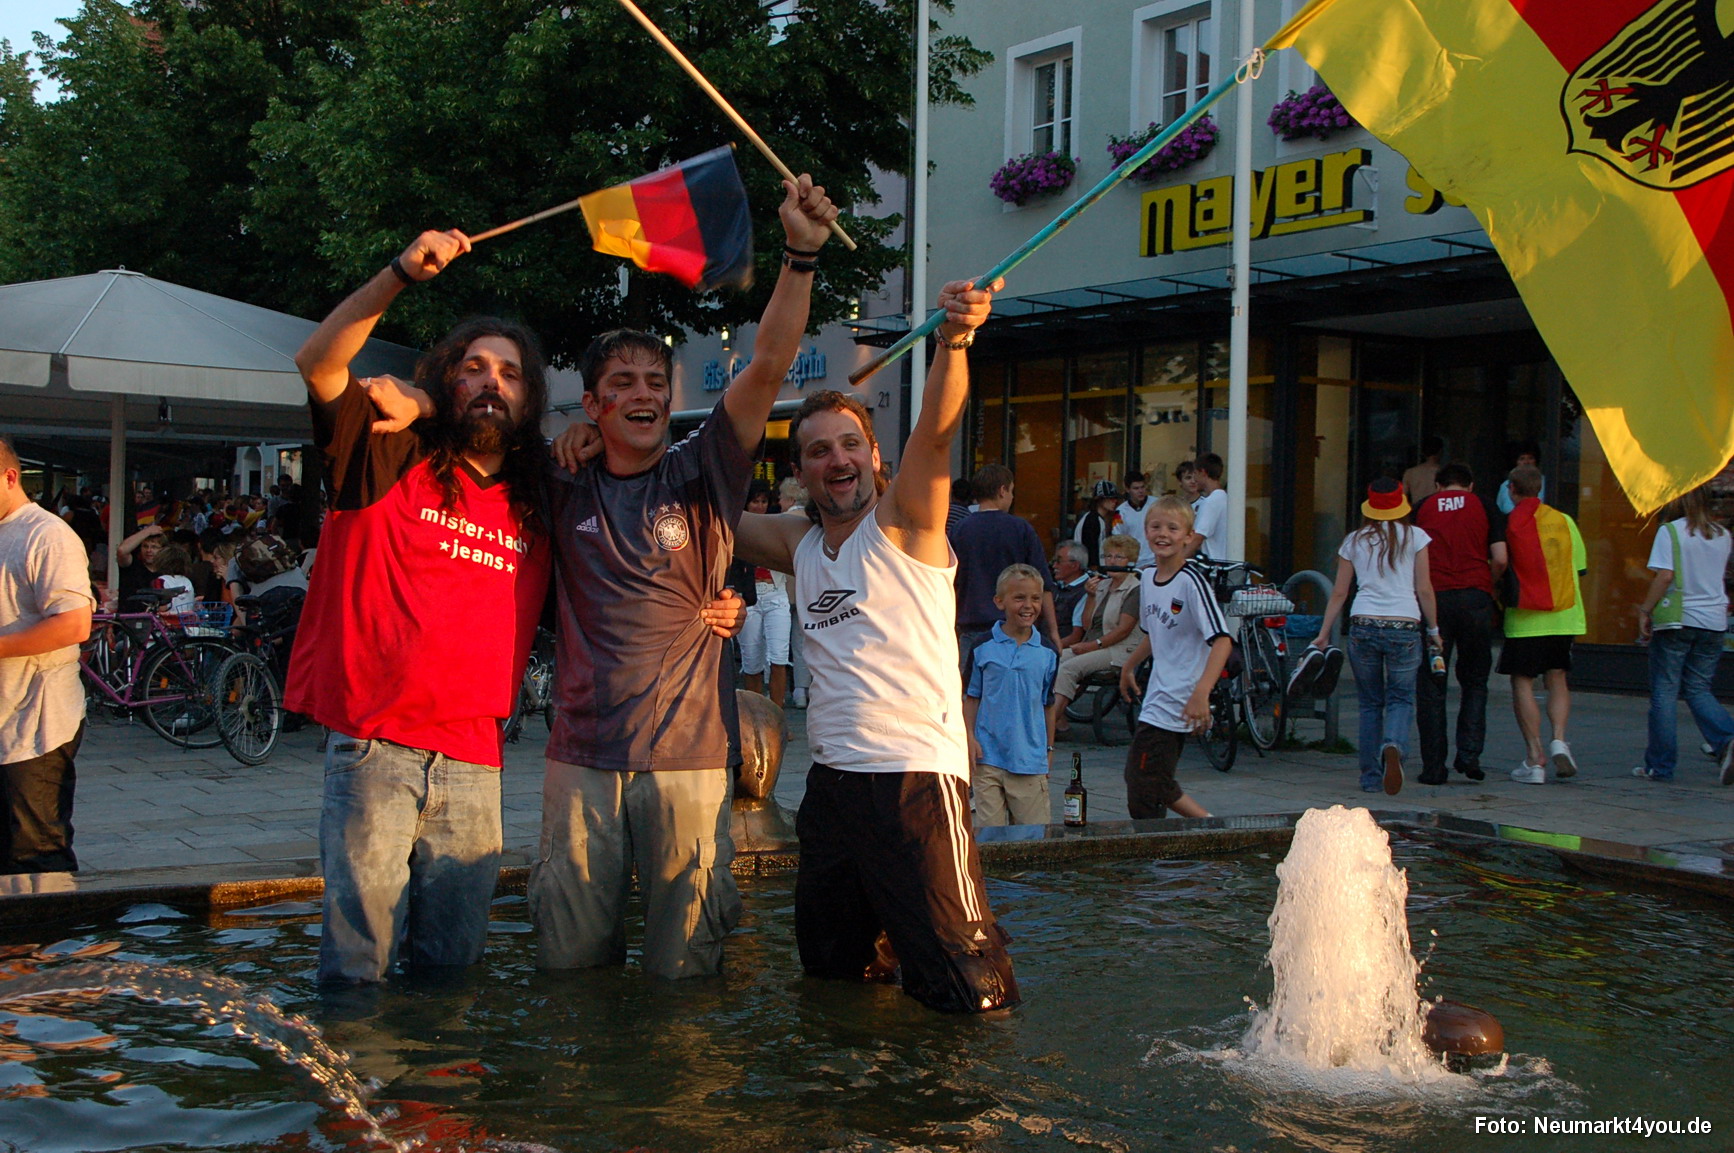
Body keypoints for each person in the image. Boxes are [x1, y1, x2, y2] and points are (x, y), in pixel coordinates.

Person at [533, 175, 839, 980]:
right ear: (592, 405)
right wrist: (560, 438)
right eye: (622, 385)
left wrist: (800, 254)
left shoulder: (703, 471)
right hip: (580, 757)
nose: (643, 394)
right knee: (569, 971)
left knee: (688, 976)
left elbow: (769, 363)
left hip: (691, 759)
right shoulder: (563, 480)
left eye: (654, 384)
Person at [732, 276, 1019, 1013]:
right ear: (799, 473)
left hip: (916, 782)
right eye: (819, 450)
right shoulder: (798, 542)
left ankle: (976, 1112)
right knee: (832, 974)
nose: (838, 459)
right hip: (830, 788)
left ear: (876, 456)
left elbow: (939, 429)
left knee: (969, 985)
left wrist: (954, 342)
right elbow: (706, 510)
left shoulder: (905, 523)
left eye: (850, 444)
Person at [284, 227, 560, 985]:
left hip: (477, 761)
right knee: (355, 971)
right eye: (473, 367)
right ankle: (354, 1103)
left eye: (509, 373)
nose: (490, 382)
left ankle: (435, 1108)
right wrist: (401, 273)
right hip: (375, 751)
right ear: (445, 380)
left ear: (530, 397)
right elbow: (319, 362)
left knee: (454, 975)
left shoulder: (540, 500)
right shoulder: (382, 446)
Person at [0, 437, 94, 875]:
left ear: (10, 477)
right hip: (7, 715)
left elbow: (74, 624)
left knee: (35, 853)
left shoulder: (47, 534)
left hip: (34, 722)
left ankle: (47, 942)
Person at [1312, 478, 1440, 795]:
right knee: (1400, 698)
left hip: (1363, 624)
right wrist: (1434, 630)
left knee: (1370, 705)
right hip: (1405, 626)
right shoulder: (1417, 537)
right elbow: (1424, 589)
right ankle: (1393, 744)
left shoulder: (1354, 541)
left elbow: (1340, 592)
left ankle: (1370, 777)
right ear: (1402, 504)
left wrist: (1324, 632)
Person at [1117, 495, 1228, 819]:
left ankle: (1208, 832)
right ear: (1145, 532)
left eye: (1172, 528)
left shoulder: (1191, 582)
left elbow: (1221, 640)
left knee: (1146, 780)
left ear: (1188, 537)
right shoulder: (1148, 579)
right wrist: (1130, 664)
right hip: (1158, 692)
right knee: (1148, 780)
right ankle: (1205, 832)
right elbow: (1155, 634)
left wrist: (1202, 693)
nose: (1162, 534)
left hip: (1181, 694)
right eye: (1155, 526)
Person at [1412, 464, 1505, 784]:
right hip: (1475, 600)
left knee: (1432, 685)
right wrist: (1487, 585)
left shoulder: (1422, 507)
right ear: (1470, 485)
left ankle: (1434, 767)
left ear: (1438, 486)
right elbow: (1501, 557)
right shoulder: (1485, 505)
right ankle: (1469, 755)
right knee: (1476, 680)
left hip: (1434, 602)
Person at [1634, 484, 1734, 783]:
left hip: (1679, 620)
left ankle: (1660, 766)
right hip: (1714, 621)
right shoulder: (1723, 535)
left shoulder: (1671, 531)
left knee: (1665, 692)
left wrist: (1645, 610)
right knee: (1698, 688)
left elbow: (1665, 575)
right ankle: (1727, 739)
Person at [1498, 465, 1585, 784]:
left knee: (1523, 683)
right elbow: (1581, 569)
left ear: (1512, 490)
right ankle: (1560, 739)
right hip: (1564, 615)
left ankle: (1535, 759)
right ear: (1541, 489)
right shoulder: (1565, 521)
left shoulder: (1509, 524)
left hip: (1524, 619)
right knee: (1557, 678)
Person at [963, 564, 1058, 827]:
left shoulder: (1047, 653)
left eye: (1035, 598)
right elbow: (972, 697)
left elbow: (1048, 704)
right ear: (999, 601)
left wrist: (1049, 748)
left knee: (1033, 840)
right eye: (1019, 598)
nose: (1028, 605)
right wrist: (969, 737)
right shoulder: (983, 647)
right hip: (988, 758)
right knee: (990, 837)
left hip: (1029, 760)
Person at [950, 463, 1061, 664]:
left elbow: (949, 583)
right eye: (1011, 491)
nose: (1011, 497)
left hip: (970, 628)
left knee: (973, 691)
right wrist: (1053, 631)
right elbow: (1043, 583)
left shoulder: (959, 529)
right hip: (1015, 628)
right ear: (1002, 490)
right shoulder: (1021, 528)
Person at [1047, 534, 1144, 740]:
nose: (1111, 561)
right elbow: (1087, 624)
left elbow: (1123, 630)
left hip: (1120, 650)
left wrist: (1093, 645)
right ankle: (1057, 721)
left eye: (1119, 557)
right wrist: (1091, 597)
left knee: (1068, 669)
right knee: (1051, 661)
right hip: (1097, 645)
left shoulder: (1135, 589)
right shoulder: (1102, 584)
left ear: (1130, 561)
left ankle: (1047, 728)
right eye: (1108, 556)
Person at [739, 482, 792, 709]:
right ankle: (756, 720)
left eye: (763, 502)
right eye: (755, 501)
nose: (760, 506)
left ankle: (777, 717)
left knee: (779, 656)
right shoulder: (736, 526)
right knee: (751, 660)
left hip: (775, 594)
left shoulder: (777, 525)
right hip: (749, 597)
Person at [1072, 479, 1121, 569]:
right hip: (1088, 571)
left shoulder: (1098, 519)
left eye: (1116, 498)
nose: (1115, 501)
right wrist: (1094, 572)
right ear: (1099, 499)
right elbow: (1090, 552)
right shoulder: (1092, 520)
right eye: (1110, 498)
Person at [1050, 542, 1091, 647]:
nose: (1054, 566)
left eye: (1059, 561)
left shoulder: (1086, 591)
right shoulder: (1055, 586)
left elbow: (1075, 637)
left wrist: (1044, 650)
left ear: (1075, 565)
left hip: (1061, 648)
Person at [1192, 453, 1229, 559]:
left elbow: (1197, 539)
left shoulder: (1211, 501)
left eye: (1195, 473)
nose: (1194, 479)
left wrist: (1175, 564)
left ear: (1203, 472)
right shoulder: (1224, 498)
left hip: (1213, 566)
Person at [1117, 471, 1155, 567]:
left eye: (1142, 487)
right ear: (1127, 489)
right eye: (1136, 488)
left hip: (1155, 560)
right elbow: (1118, 539)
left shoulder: (1157, 504)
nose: (1140, 491)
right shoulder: (1120, 512)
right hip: (1133, 563)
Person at [1496, 444, 1546, 514]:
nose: (1526, 462)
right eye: (1522, 458)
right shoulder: (1505, 486)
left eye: (1530, 458)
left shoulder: (1547, 483)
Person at [1402, 436, 1444, 505]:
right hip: (1436, 511)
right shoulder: (1445, 473)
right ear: (1440, 451)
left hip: (1417, 511)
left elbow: (1403, 498)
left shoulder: (1410, 473)